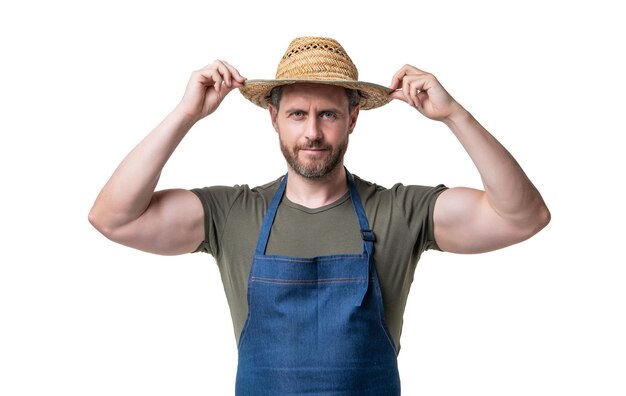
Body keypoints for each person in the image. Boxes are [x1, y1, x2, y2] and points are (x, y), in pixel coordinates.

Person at [89, 36, 550, 395]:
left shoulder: (398, 211)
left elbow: (522, 217)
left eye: (328, 114)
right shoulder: (231, 214)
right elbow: (114, 217)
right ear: (273, 118)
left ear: (353, 118)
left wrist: (455, 115)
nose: (312, 132)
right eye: (296, 114)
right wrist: (185, 113)